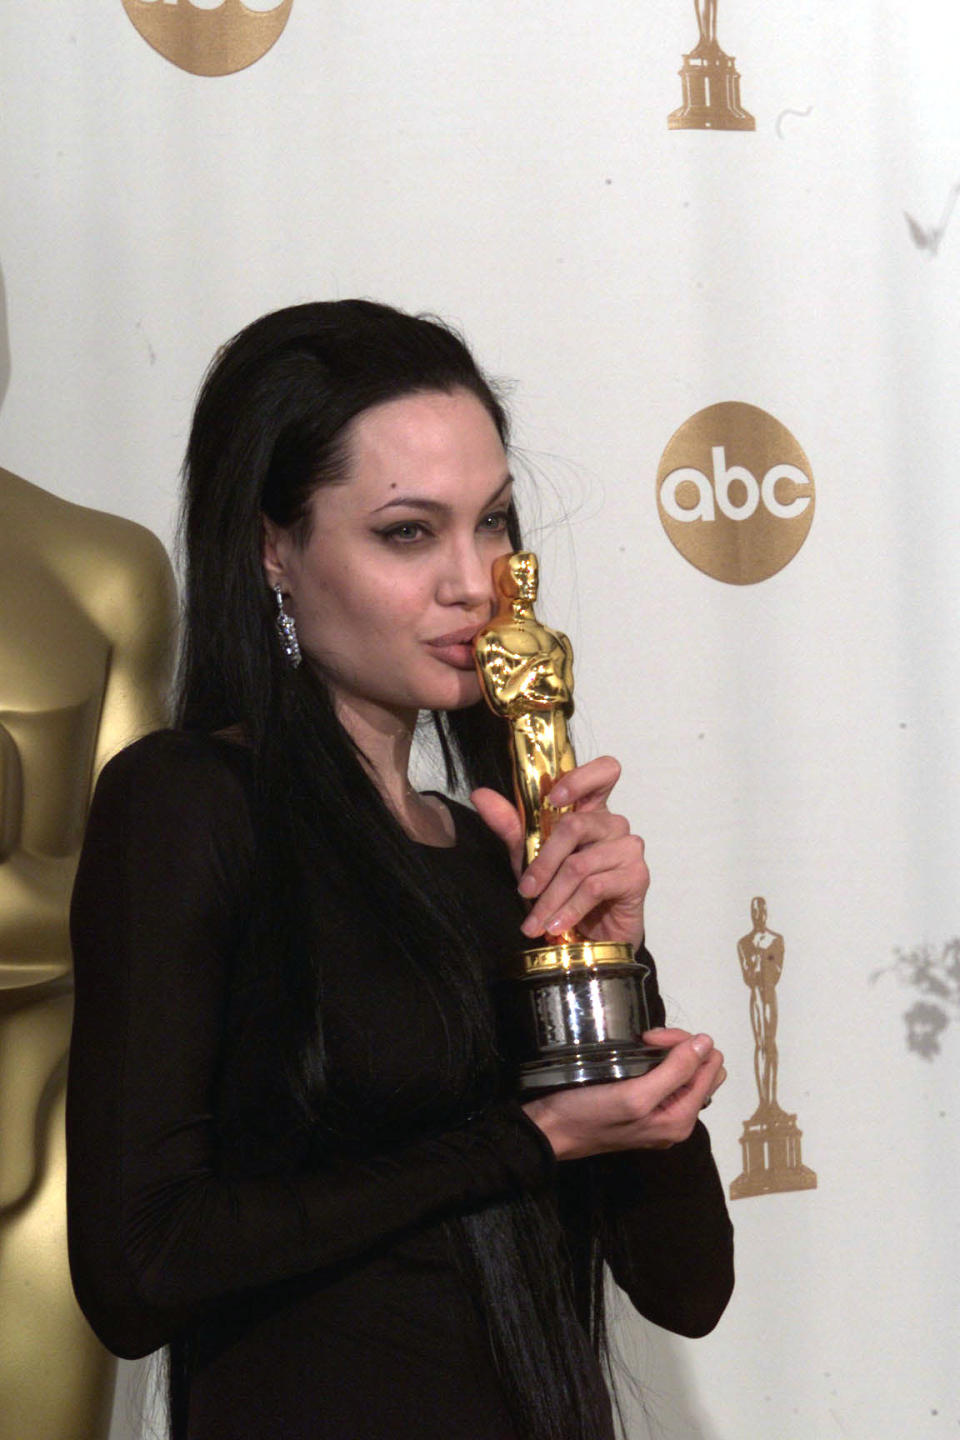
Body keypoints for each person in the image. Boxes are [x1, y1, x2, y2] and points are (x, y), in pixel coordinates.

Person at [66, 300, 734, 1440]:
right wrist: (527, 1143)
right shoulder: (188, 804)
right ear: (274, 547)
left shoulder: (493, 849)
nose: (475, 584)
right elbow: (139, 1269)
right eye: (409, 533)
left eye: (494, 524)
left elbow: (687, 1286)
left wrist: (611, 958)